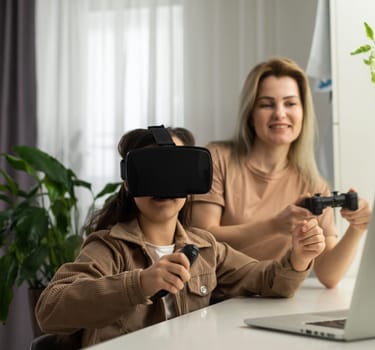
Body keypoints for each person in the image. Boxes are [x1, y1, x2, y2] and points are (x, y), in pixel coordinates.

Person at [35, 127, 325, 347]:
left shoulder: (206, 249)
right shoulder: (110, 249)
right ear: (128, 182)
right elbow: (50, 309)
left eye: (176, 170)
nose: (165, 183)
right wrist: (140, 283)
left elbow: (267, 280)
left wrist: (299, 257)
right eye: (153, 171)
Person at [190, 57, 372, 289]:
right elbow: (201, 237)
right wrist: (274, 226)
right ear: (250, 112)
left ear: (303, 111)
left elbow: (329, 275)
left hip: (275, 297)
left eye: (290, 103)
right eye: (266, 104)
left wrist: (357, 229)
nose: (280, 114)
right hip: (215, 299)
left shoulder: (313, 184)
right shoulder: (216, 159)